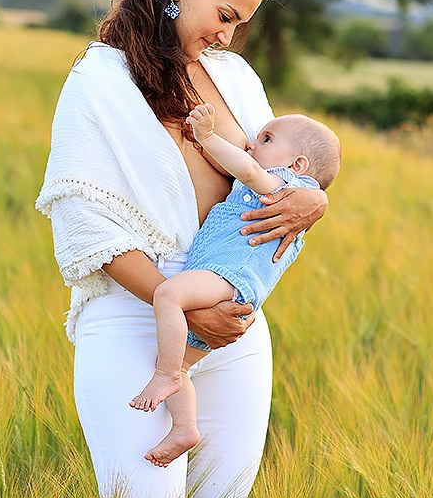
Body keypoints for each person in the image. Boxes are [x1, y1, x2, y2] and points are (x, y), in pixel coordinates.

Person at [35, 0, 328, 498]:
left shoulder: (236, 79)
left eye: (243, 23)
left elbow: (273, 187)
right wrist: (181, 305)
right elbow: (85, 226)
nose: (229, 36)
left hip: (232, 327)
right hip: (136, 325)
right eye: (223, 14)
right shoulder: (98, 81)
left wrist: (311, 199)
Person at [129, 103, 341, 468]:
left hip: (227, 277)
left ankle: (163, 377)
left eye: (267, 138)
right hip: (228, 283)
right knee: (182, 365)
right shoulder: (295, 198)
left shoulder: (283, 188)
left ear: (298, 166)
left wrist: (208, 136)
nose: (252, 144)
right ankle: (184, 427)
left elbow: (245, 168)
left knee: (168, 294)